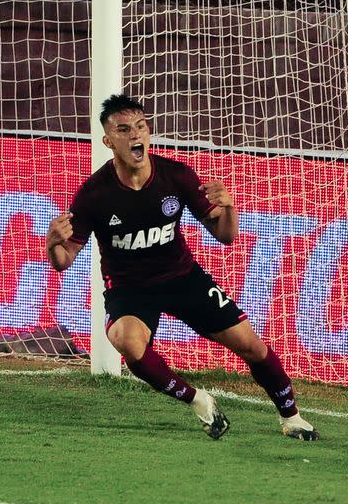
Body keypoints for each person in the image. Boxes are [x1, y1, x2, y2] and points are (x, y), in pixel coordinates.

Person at [45, 94, 318, 441]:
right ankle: (198, 400)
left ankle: (292, 417)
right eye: (124, 130)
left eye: (140, 127)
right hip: (130, 290)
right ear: (108, 141)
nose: (135, 136)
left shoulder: (175, 176)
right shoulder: (94, 194)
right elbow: (63, 262)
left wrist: (229, 207)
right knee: (126, 342)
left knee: (251, 346)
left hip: (183, 278)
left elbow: (225, 236)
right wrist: (52, 243)